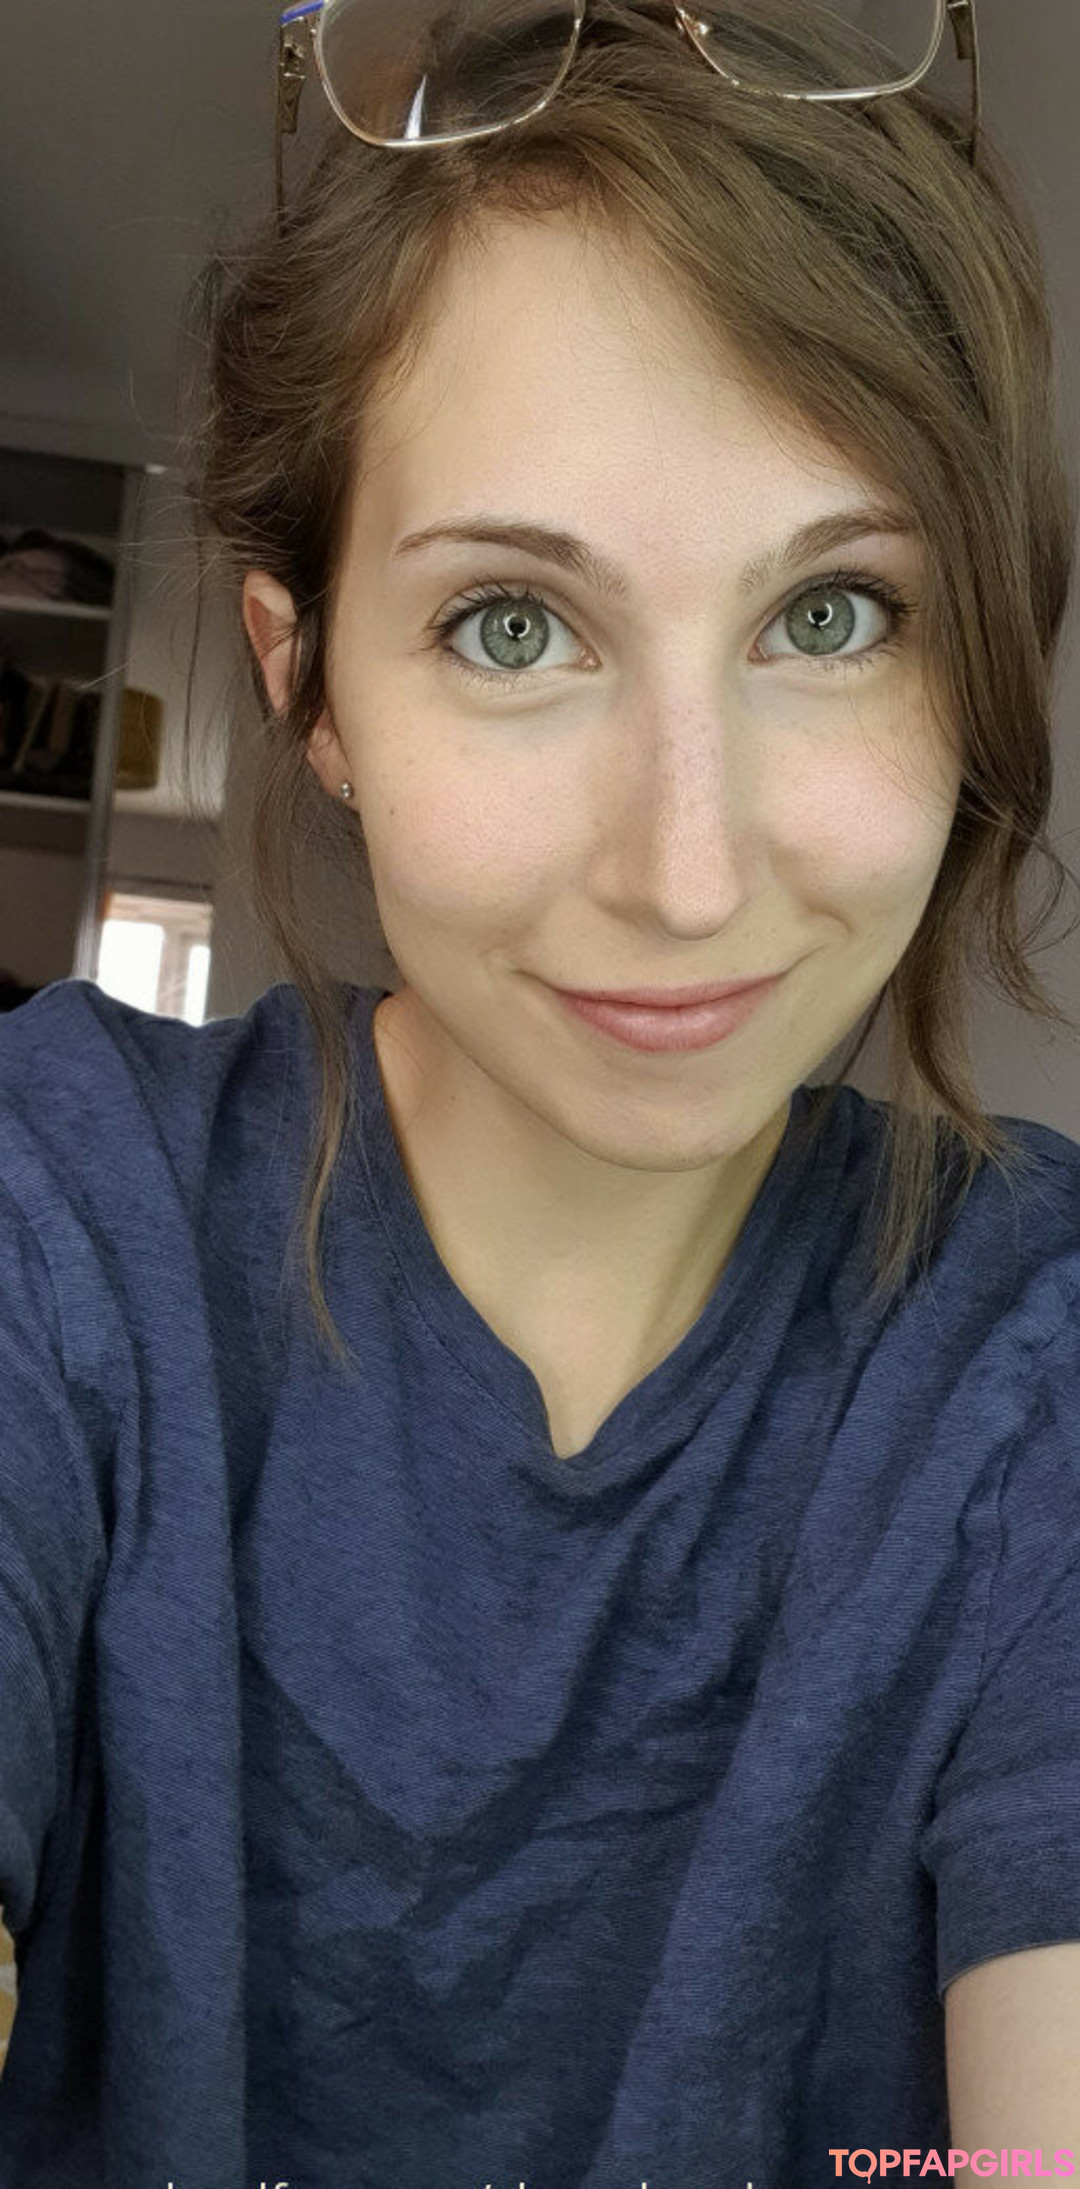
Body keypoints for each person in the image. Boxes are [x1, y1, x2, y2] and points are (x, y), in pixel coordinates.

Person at [1, 0, 1079, 2182]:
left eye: (834, 616)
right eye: (513, 626)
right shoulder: (58, 1213)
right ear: (307, 685)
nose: (687, 873)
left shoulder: (1034, 1362)